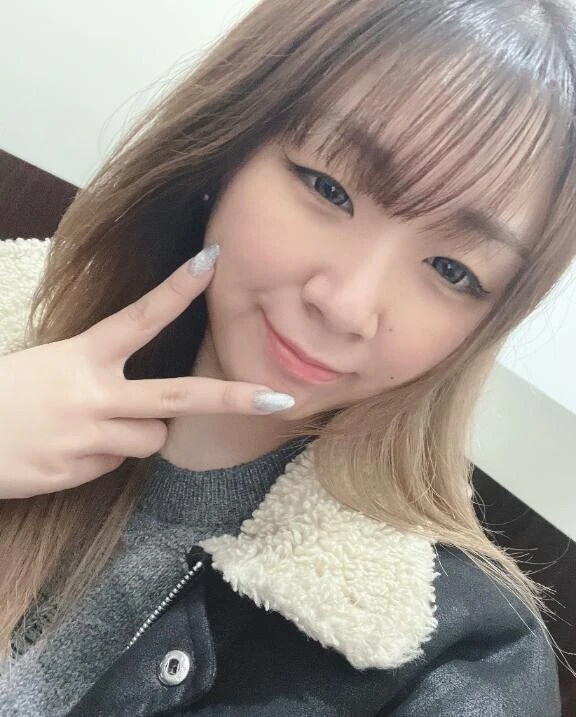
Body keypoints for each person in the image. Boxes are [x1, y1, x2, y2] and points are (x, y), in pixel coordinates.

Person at [0, 0, 574, 714]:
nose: (348, 305)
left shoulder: (465, 661)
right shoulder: (14, 322)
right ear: (228, 145)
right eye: (329, 188)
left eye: (452, 270)